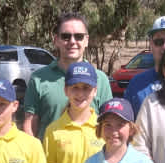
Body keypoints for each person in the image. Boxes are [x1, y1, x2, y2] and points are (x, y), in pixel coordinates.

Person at [23, 12, 112, 140]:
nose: (72, 41)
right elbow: (30, 125)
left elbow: (108, 123)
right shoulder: (38, 79)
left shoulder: (101, 79)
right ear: (56, 40)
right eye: (65, 36)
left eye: (79, 36)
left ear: (86, 40)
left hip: (92, 158)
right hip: (49, 158)